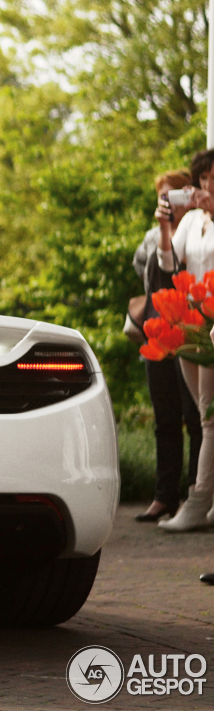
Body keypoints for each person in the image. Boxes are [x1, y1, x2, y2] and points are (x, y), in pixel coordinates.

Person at [134, 170, 203, 521]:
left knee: (196, 416)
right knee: (164, 418)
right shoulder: (150, 239)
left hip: (191, 331)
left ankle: (196, 493)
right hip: (159, 330)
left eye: (176, 195)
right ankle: (164, 496)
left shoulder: (200, 230)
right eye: (164, 197)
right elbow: (147, 274)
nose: (170, 203)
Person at [157, 148, 214, 531]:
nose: (209, 185)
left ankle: (198, 500)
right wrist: (165, 227)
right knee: (201, 416)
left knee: (210, 418)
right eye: (205, 178)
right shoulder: (192, 221)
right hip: (191, 323)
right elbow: (167, 264)